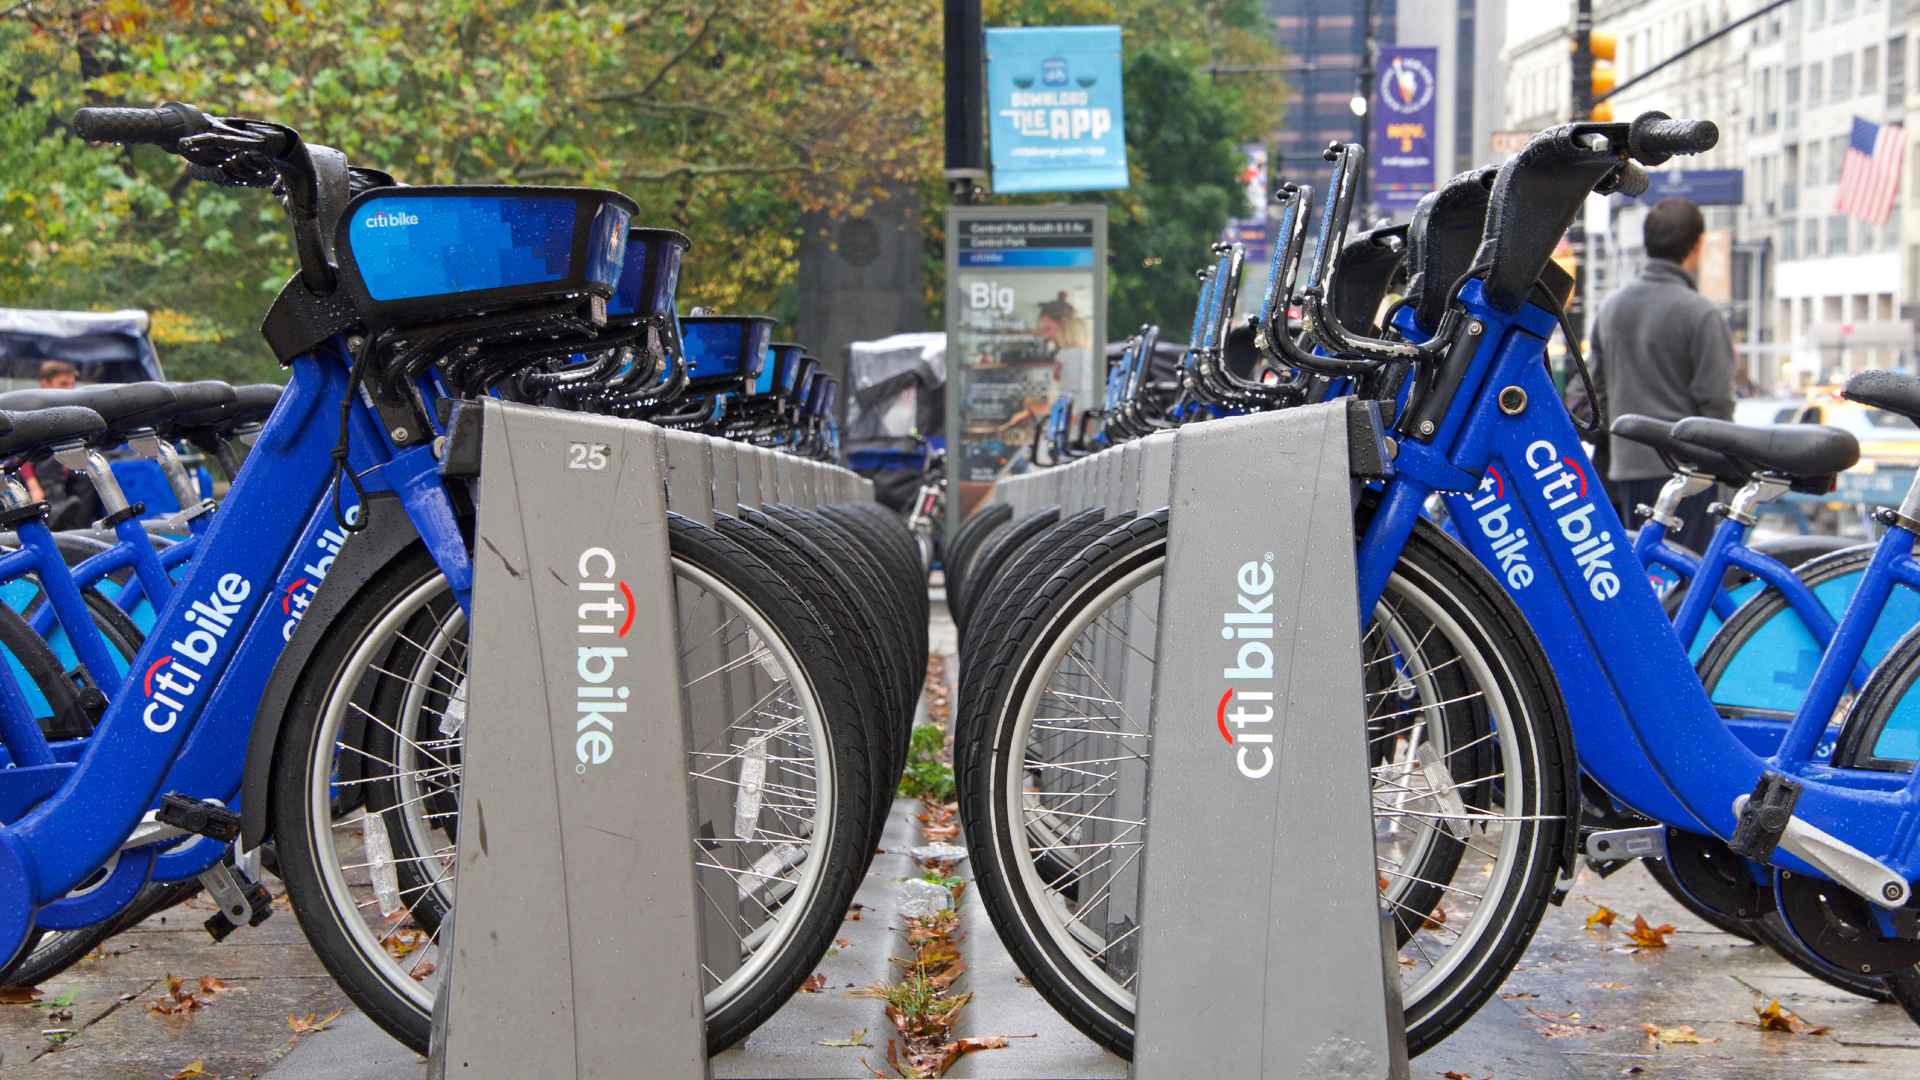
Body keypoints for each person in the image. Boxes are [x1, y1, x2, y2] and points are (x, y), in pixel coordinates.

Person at [1589, 197, 1735, 554]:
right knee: (1683, 586)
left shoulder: (1611, 309)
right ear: (1698, 244)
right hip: (1688, 478)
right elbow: (1716, 407)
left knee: (1640, 582)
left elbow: (1598, 395)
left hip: (1623, 473)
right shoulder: (1701, 314)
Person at [20, 360, 100, 527]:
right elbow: (20, 455)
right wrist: (33, 487)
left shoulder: (74, 412)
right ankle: (55, 512)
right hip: (41, 473)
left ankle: (83, 530)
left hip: (68, 473)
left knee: (89, 468)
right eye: (63, 384)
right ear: (45, 384)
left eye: (72, 384)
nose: (69, 389)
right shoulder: (30, 412)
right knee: (49, 462)